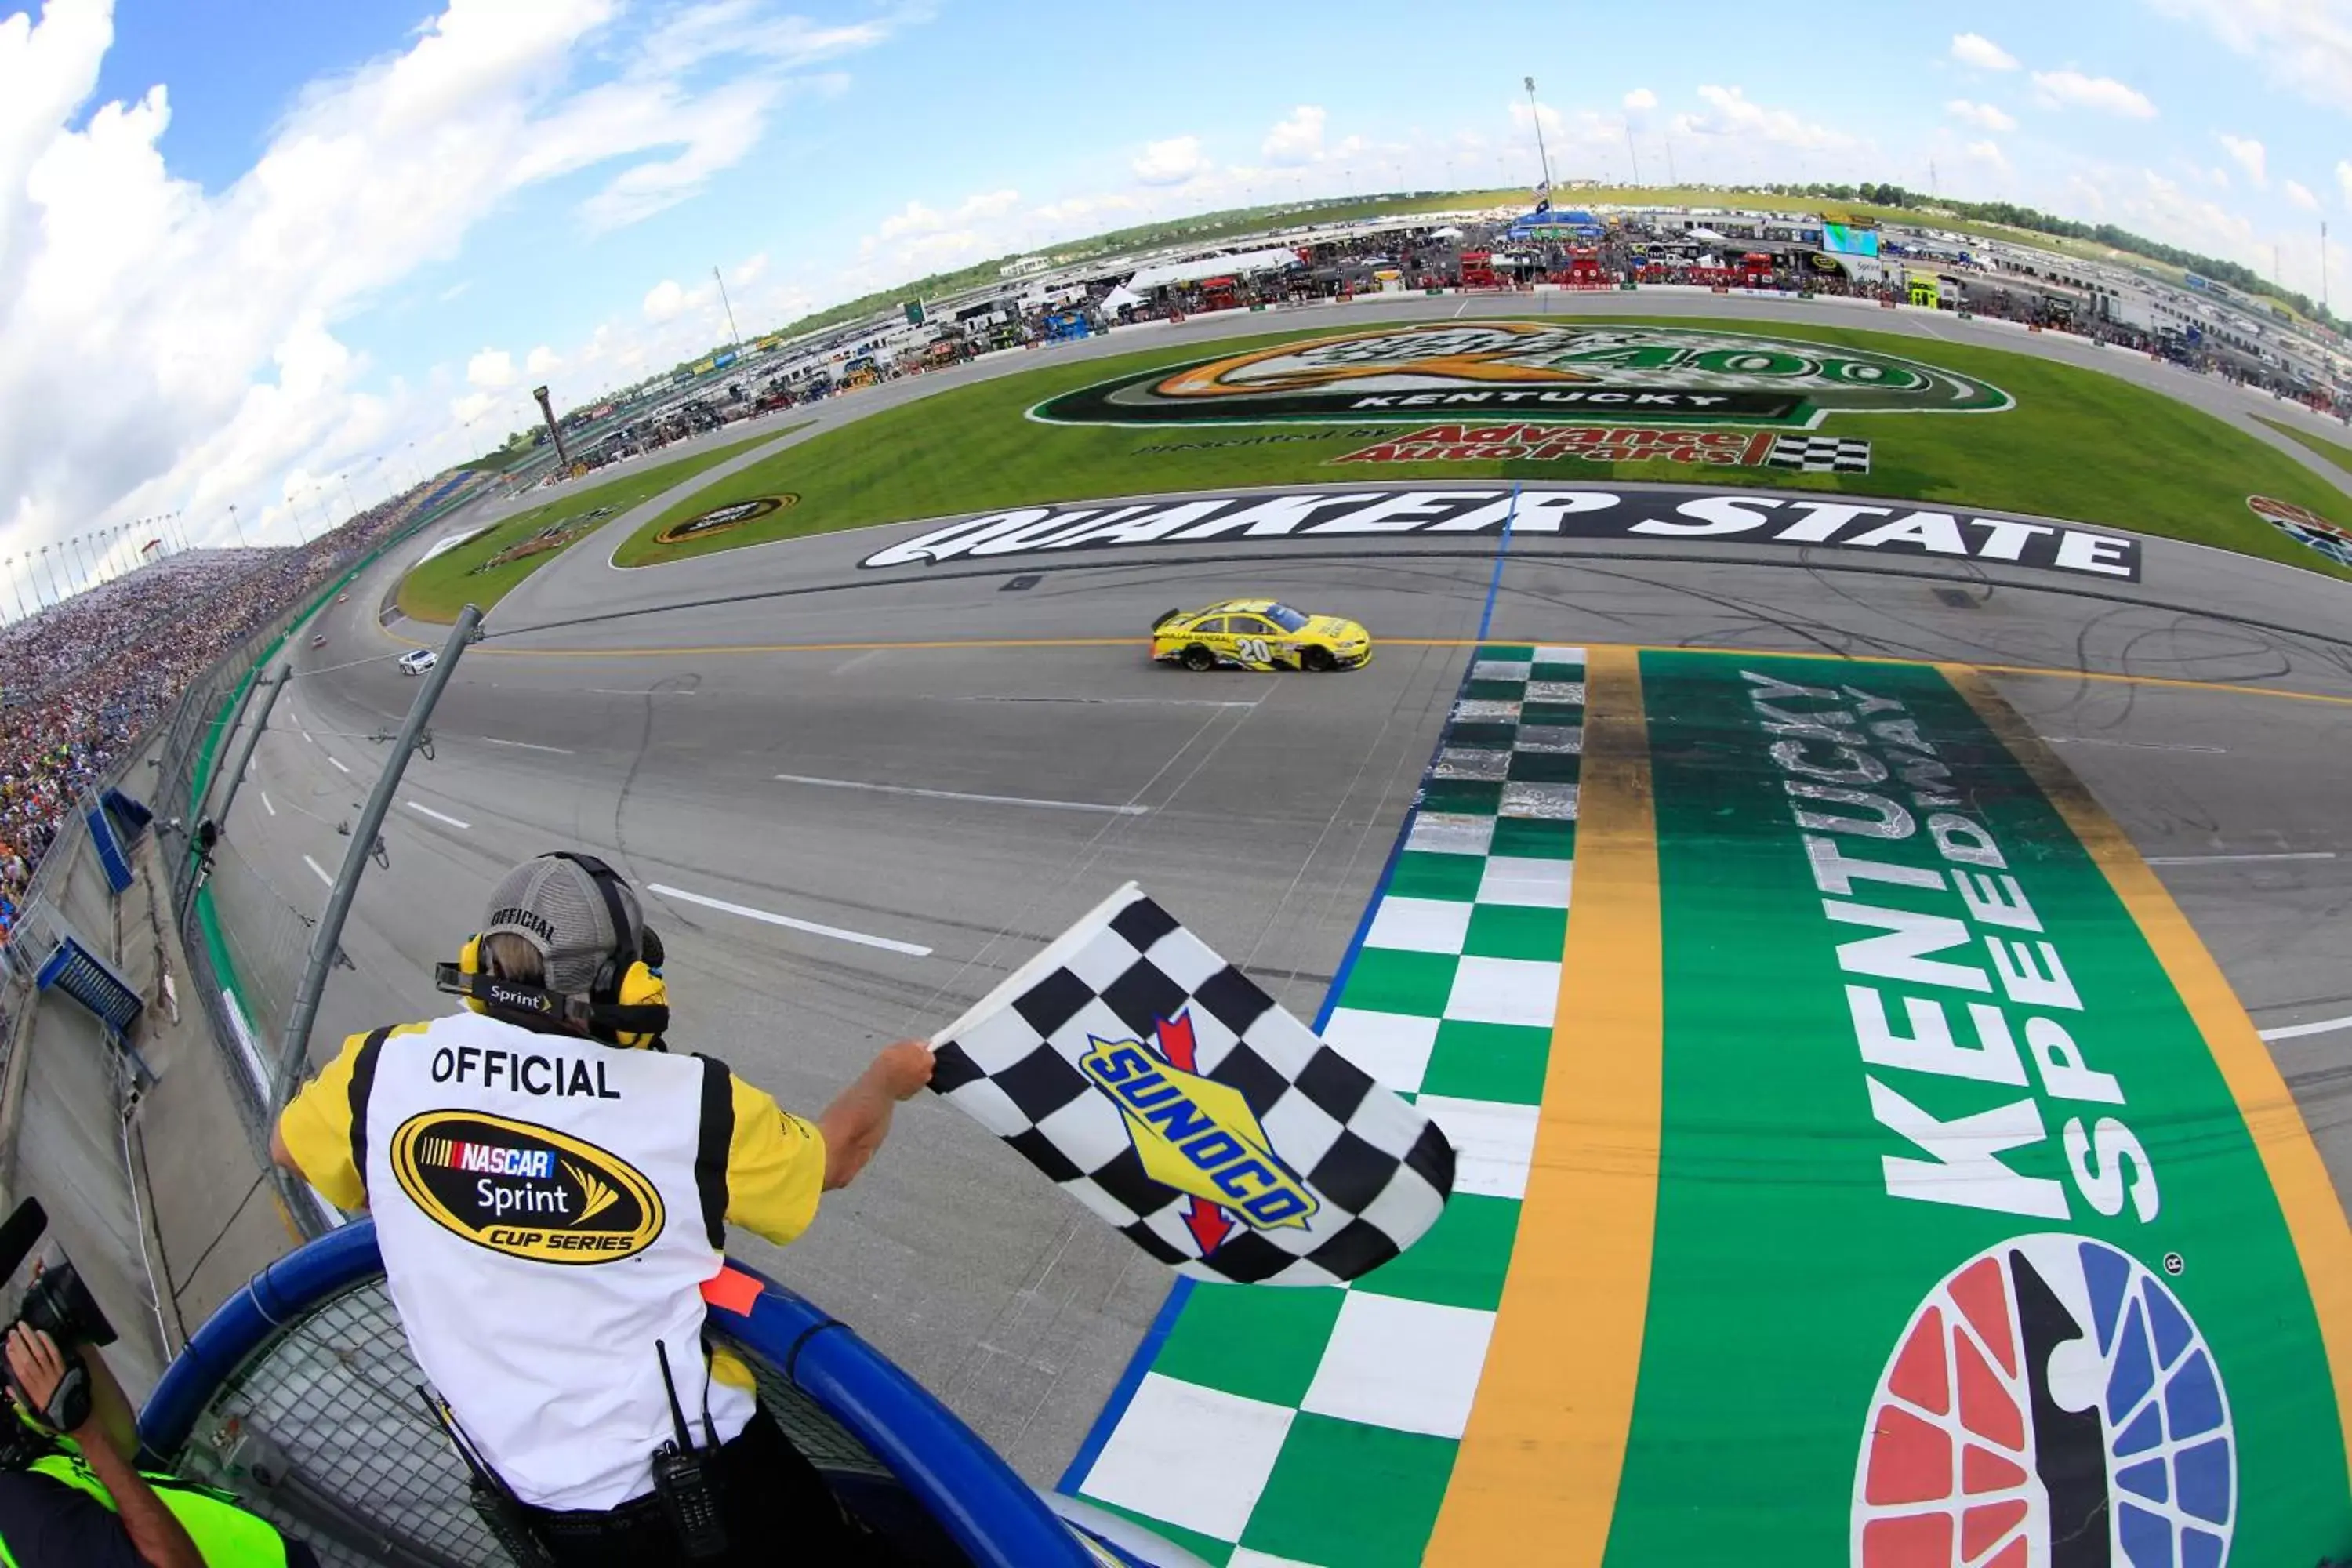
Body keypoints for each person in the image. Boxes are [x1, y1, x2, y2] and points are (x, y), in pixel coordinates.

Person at [271, 851, 934, 1566]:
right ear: (625, 982)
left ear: (480, 958)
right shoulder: (692, 1101)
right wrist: (886, 1081)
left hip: (535, 1507)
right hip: (711, 1490)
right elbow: (831, 1163)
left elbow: (287, 1149)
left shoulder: (375, 1072)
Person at [0, 1323, 319, 1567]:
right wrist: (87, 1432)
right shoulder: (28, 1521)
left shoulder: (13, 1452)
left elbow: (123, 1442)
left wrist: (68, 1342)